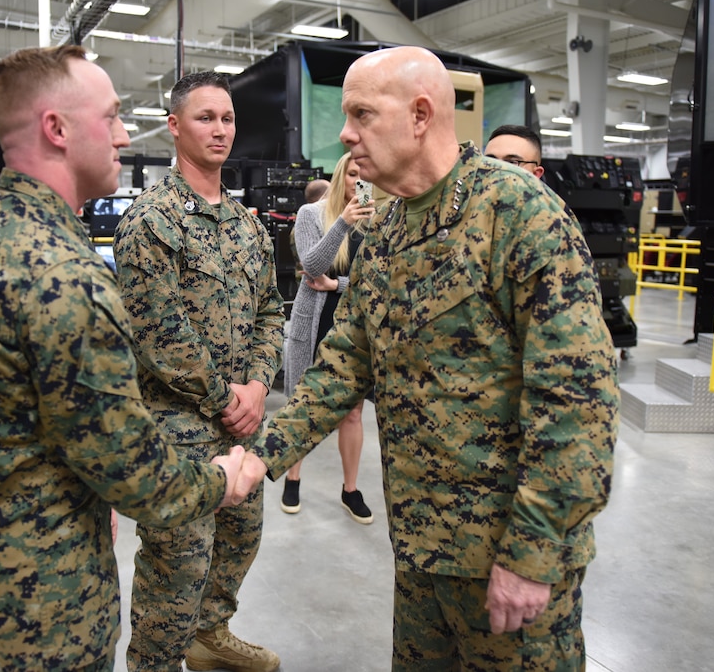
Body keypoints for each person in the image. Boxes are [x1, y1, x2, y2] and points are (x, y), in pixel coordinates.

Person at [241, 46, 619, 669]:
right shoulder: (387, 232)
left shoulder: (519, 214)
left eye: (362, 114)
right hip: (421, 550)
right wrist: (261, 458)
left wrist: (532, 554)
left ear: (420, 115)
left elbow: (578, 403)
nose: (344, 133)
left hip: (507, 561)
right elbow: (340, 367)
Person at [0, 45, 252, 672]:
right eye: (112, 117)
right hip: (44, 603)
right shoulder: (63, 274)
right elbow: (134, 471)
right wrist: (223, 480)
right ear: (57, 129)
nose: (125, 135)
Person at [112, 71, 285, 672]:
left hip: (242, 422)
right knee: (176, 563)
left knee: (241, 537)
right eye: (206, 117)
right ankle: (155, 662)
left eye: (228, 118)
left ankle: (209, 637)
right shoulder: (150, 221)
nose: (220, 129)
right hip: (176, 427)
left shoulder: (248, 226)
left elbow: (271, 309)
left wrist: (260, 385)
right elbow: (160, 334)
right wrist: (224, 399)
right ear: (174, 125)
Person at [279, 152, 376, 523]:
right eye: (353, 173)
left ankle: (350, 489)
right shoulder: (311, 215)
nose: (358, 180)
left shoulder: (374, 220)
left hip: (353, 328)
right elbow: (312, 265)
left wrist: (337, 284)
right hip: (314, 324)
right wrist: (341, 223)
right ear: (341, 175)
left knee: (352, 412)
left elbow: (374, 280)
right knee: (301, 404)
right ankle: (293, 477)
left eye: (365, 174)